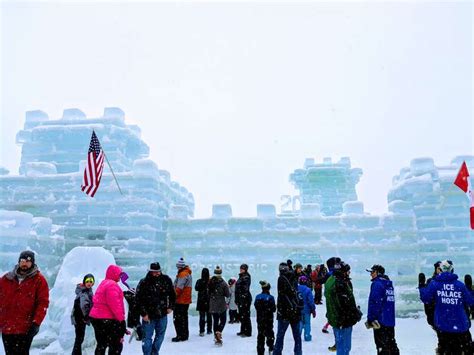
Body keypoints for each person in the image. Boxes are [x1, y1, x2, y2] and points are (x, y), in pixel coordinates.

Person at [0, 250, 50, 355]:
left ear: (32, 263)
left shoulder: (39, 280)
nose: (24, 263)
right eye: (22, 260)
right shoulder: (6, 279)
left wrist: (36, 323)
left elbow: (43, 303)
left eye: (28, 261)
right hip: (7, 327)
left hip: (25, 328)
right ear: (19, 262)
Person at [419, 260, 474, 354]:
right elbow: (471, 301)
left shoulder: (434, 284)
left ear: (440, 270)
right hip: (461, 326)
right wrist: (469, 289)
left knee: (447, 351)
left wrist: (421, 286)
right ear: (452, 270)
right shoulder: (460, 285)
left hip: (443, 325)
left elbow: (426, 299)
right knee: (465, 351)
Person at [136, 262, 175, 355]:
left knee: (160, 336)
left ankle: (154, 352)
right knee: (147, 338)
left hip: (162, 314)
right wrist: (143, 314)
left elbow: (172, 295)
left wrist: (171, 307)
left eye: (158, 271)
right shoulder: (144, 282)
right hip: (148, 316)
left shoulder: (166, 280)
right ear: (150, 272)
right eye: (154, 272)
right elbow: (138, 299)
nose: (157, 273)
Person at [324, 261, 362, 355]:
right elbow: (345, 304)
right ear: (342, 272)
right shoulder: (340, 284)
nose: (349, 274)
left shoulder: (330, 280)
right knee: (345, 347)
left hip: (335, 318)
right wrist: (355, 313)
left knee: (340, 343)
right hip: (343, 321)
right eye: (347, 272)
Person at [89, 264, 128, 355]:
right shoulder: (112, 285)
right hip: (107, 319)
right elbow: (115, 305)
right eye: (119, 274)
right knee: (116, 345)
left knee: (101, 344)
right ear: (114, 274)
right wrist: (121, 320)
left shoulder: (104, 283)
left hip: (97, 318)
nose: (120, 276)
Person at [365, 265, 400, 354]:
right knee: (391, 345)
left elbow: (375, 303)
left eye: (372, 272)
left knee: (382, 347)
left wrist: (371, 318)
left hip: (380, 321)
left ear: (378, 273)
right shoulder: (388, 284)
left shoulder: (377, 284)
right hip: (389, 321)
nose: (371, 274)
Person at [273, 262, 302, 355]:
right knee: (297, 336)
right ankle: (298, 353)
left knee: (280, 336)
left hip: (284, 312)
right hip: (295, 311)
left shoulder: (281, 279)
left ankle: (277, 353)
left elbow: (282, 295)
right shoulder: (293, 277)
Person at [418, 261, 443, 353]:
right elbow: (426, 299)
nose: (441, 271)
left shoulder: (450, 283)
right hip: (436, 315)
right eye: (439, 269)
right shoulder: (431, 282)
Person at [71, 273, 95, 355]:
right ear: (84, 282)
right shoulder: (84, 292)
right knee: (79, 338)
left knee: (79, 338)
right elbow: (83, 306)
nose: (89, 283)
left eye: (91, 281)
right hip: (80, 318)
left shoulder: (86, 291)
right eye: (87, 281)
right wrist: (86, 317)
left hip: (79, 318)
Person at [209, 266, 230, 346]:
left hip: (213, 304)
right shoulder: (223, 283)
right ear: (221, 273)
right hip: (221, 304)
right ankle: (219, 332)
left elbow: (208, 292)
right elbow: (227, 294)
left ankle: (216, 336)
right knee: (223, 320)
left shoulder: (210, 282)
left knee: (215, 321)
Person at [173, 257, 192, 342]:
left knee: (178, 318)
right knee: (184, 318)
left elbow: (179, 288)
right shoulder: (187, 273)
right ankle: (184, 335)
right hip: (185, 300)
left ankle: (180, 335)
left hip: (181, 300)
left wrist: (173, 296)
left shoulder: (182, 274)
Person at [254, 280, 276, 355]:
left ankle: (260, 351)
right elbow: (273, 309)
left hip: (260, 320)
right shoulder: (271, 298)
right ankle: (271, 347)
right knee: (270, 333)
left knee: (260, 335)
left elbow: (256, 307)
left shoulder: (257, 297)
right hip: (268, 319)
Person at [235, 263, 252, 337]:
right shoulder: (242, 276)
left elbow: (244, 289)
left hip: (245, 300)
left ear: (245, 269)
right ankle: (243, 330)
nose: (241, 270)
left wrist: (242, 298)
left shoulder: (246, 277)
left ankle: (248, 332)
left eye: (242, 269)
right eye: (240, 268)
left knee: (245, 315)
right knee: (242, 315)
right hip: (241, 299)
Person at [195, 267, 212, 336]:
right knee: (209, 316)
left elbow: (196, 288)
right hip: (209, 301)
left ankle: (201, 331)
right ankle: (209, 330)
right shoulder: (210, 281)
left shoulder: (199, 281)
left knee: (202, 317)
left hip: (201, 301)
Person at [298, 275, 316, 342]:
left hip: (298, 309)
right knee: (307, 323)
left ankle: (298, 335)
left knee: (300, 322)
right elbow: (311, 301)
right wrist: (313, 309)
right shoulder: (308, 290)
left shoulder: (296, 288)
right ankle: (307, 336)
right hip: (306, 310)